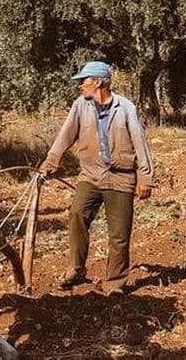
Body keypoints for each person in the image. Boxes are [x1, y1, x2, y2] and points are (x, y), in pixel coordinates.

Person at [38, 61, 155, 295]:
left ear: (98, 82)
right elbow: (66, 135)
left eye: (84, 80)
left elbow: (141, 145)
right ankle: (76, 269)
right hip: (91, 175)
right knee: (77, 214)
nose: (81, 85)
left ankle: (115, 283)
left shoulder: (126, 108)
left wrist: (146, 179)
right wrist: (51, 162)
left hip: (121, 179)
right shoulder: (80, 106)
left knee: (119, 235)